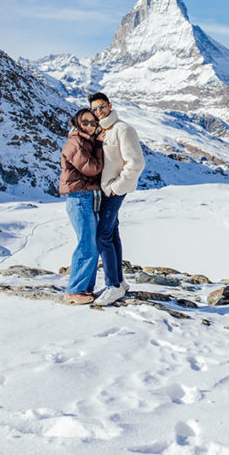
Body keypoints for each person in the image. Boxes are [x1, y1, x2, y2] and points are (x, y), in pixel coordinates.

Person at [89, 92, 145, 306]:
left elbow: (136, 163)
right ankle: (120, 282)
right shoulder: (101, 130)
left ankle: (113, 286)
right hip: (103, 191)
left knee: (102, 236)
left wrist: (116, 188)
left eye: (101, 107)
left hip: (113, 191)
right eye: (94, 109)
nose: (98, 112)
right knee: (111, 234)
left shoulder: (123, 129)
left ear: (110, 105)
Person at [58, 108, 104, 305]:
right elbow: (92, 168)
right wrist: (101, 145)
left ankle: (85, 289)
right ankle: (75, 290)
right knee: (86, 244)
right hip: (79, 197)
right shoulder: (76, 143)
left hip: (88, 196)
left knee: (91, 244)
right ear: (77, 123)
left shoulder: (86, 142)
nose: (90, 126)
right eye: (86, 122)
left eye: (94, 123)